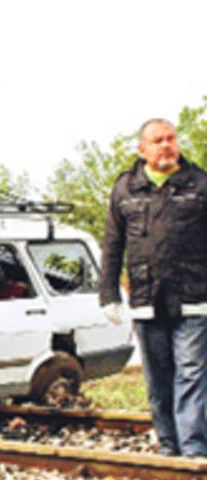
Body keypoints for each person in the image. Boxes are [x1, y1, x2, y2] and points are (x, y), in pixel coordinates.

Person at [99, 118, 207, 457]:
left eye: (171, 138)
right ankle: (169, 446)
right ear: (142, 149)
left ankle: (193, 451)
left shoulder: (199, 184)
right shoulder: (125, 189)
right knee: (159, 378)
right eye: (157, 140)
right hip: (147, 299)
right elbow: (113, 245)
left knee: (191, 374)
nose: (166, 145)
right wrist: (108, 295)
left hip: (194, 297)